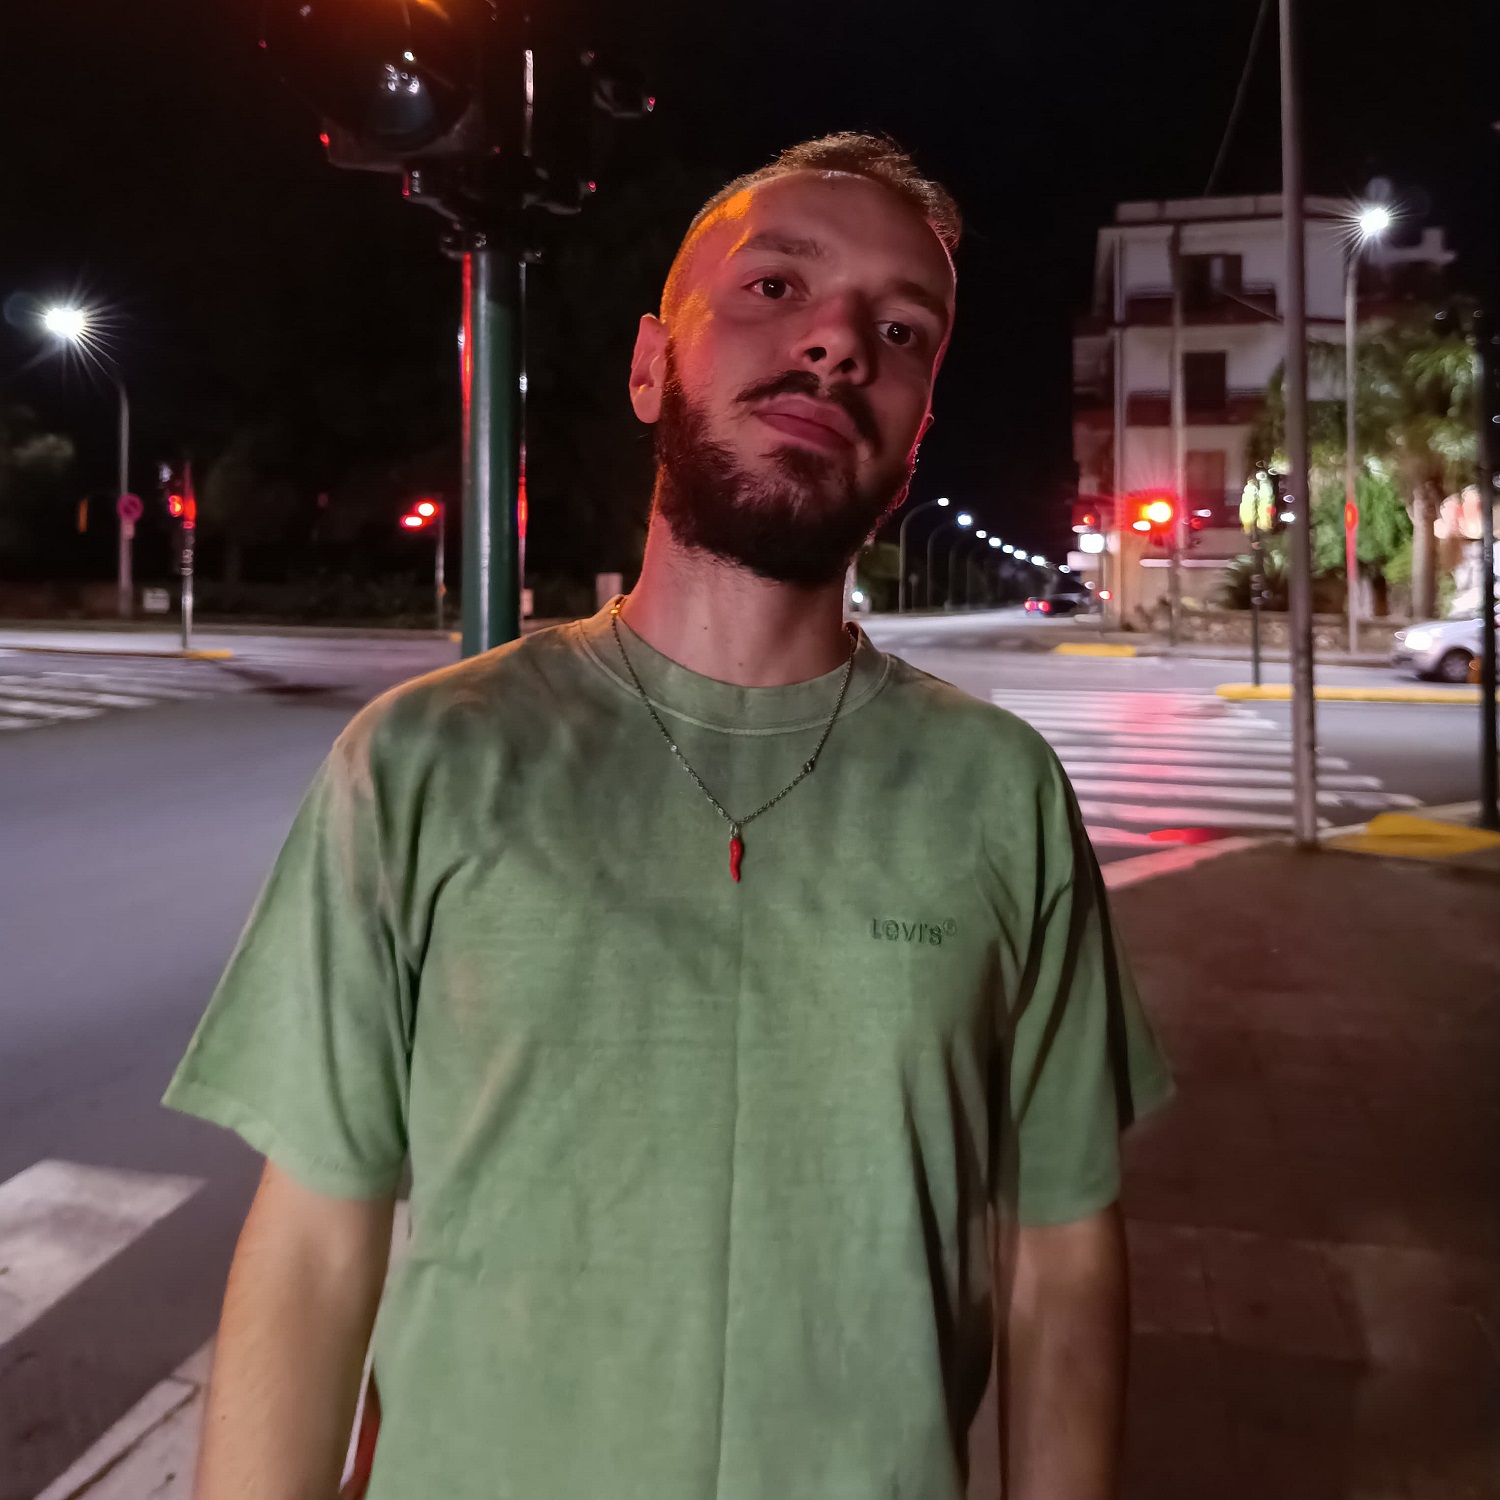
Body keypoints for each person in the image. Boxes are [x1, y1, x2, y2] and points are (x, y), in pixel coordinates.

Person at [166, 133, 1171, 1500]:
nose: (838, 344)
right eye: (776, 286)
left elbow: (1060, 1250)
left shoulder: (1000, 793)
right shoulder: (423, 761)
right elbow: (313, 1246)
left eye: (900, 331)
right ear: (651, 366)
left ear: (915, 433)